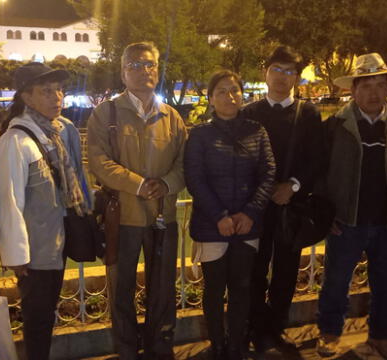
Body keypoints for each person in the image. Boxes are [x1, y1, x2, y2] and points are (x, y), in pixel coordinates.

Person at [315, 53, 387, 359]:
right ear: (353, 90)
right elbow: (318, 176)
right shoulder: (334, 127)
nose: (374, 93)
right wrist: (325, 216)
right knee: (336, 281)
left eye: (381, 85)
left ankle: (382, 336)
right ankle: (329, 332)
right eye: (366, 86)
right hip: (346, 221)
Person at [87, 41, 187, 360]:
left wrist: (169, 183)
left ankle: (160, 348)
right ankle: (127, 350)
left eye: (149, 65)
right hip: (123, 218)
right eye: (135, 65)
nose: (143, 71)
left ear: (157, 71)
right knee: (121, 291)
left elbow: (185, 164)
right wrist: (139, 184)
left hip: (163, 217)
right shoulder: (107, 113)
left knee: (163, 290)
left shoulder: (172, 117)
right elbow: (99, 161)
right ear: (122, 72)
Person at [0, 62, 91, 360]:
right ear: (27, 97)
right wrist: (17, 256)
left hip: (54, 244)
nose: (57, 97)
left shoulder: (57, 132)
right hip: (33, 254)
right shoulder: (16, 140)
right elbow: (8, 202)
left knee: (46, 314)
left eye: (60, 90)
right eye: (47, 91)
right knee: (37, 320)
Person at [184, 70, 275, 359]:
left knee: (242, 288)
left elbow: (268, 173)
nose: (229, 96)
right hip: (213, 226)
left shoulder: (256, 131)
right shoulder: (199, 135)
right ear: (210, 99)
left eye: (234, 90)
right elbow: (195, 179)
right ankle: (218, 345)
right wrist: (220, 216)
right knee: (213, 290)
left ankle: (237, 345)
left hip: (248, 225)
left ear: (242, 95)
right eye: (221, 91)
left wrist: (249, 212)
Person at [242, 45, 323, 353]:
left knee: (287, 270)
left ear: (297, 79)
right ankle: (255, 328)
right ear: (266, 72)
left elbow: (317, 159)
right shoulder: (249, 112)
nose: (282, 76)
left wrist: (294, 186)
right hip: (256, 207)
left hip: (292, 205)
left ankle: (276, 328)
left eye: (290, 71)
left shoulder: (308, 113)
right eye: (277, 69)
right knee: (255, 270)